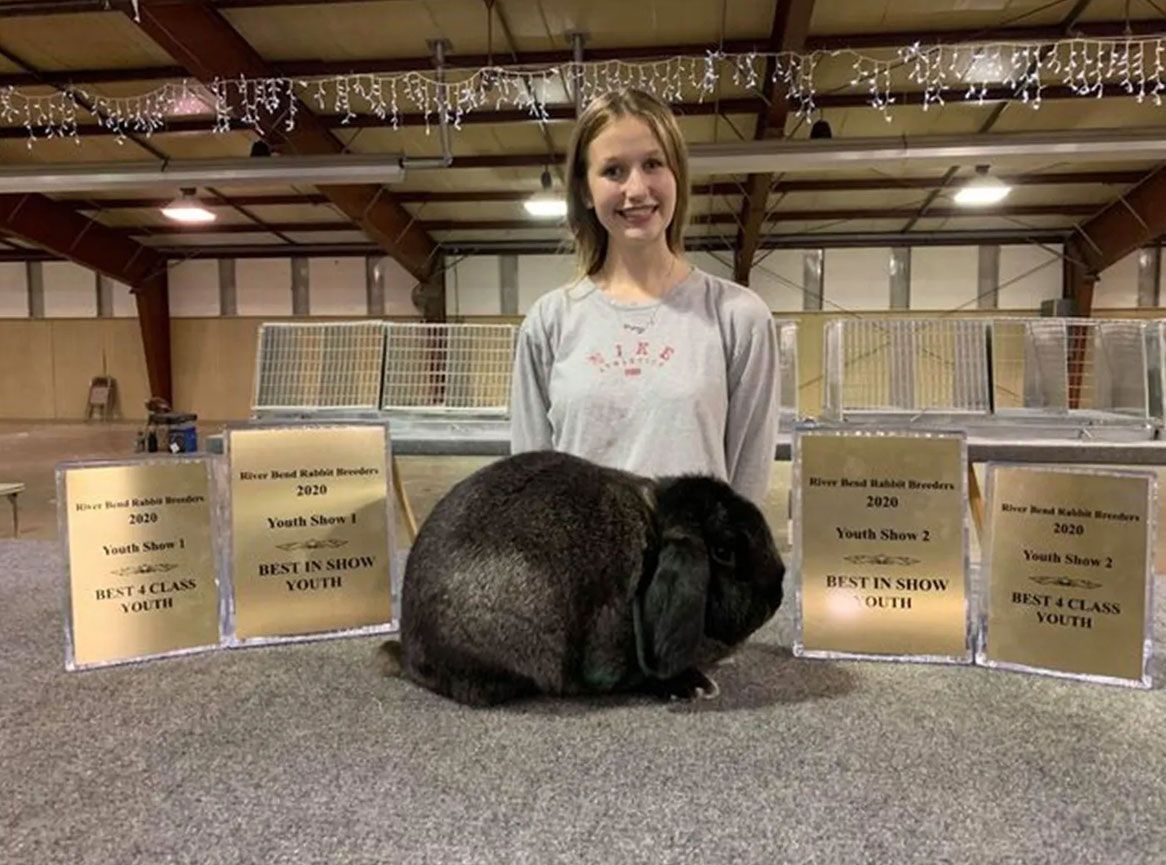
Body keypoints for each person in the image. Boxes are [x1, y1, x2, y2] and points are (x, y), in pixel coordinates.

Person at [509, 88, 779, 508]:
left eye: (652, 164)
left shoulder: (739, 318)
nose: (636, 189)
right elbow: (531, 485)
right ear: (584, 190)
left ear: (676, 176)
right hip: (586, 572)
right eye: (613, 171)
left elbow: (747, 489)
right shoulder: (549, 323)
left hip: (691, 571)